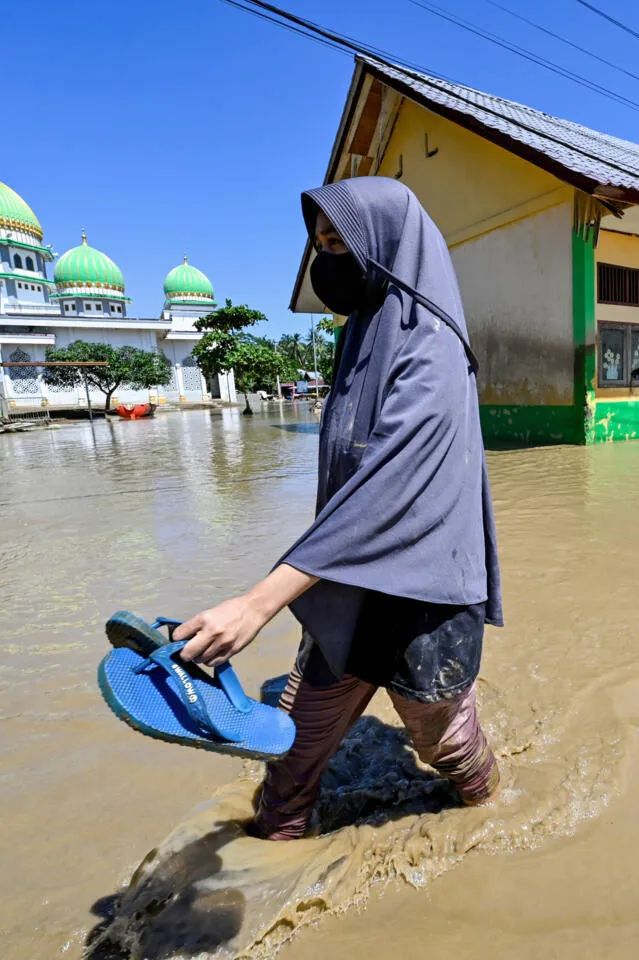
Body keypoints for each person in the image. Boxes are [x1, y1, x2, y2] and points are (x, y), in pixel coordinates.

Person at [172, 176, 503, 839]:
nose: (327, 260)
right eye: (320, 244)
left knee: (445, 750)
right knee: (293, 755)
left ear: (385, 246)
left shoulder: (431, 345)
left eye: (340, 243)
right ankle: (272, 849)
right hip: (350, 585)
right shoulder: (362, 334)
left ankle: (493, 816)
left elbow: (387, 488)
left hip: (423, 603)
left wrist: (259, 601)